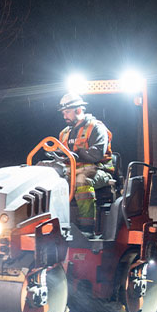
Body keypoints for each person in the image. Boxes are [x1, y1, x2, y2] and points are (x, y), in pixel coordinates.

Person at [53, 92, 114, 234]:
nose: (64, 116)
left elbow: (96, 154)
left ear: (79, 110)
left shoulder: (96, 128)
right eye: (63, 113)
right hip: (72, 171)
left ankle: (87, 229)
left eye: (67, 112)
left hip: (98, 170)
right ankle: (57, 225)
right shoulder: (64, 133)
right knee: (51, 182)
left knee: (82, 181)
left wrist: (76, 154)